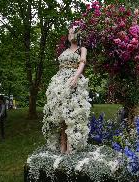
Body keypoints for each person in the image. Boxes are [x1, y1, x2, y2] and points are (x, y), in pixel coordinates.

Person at [42, 26, 91, 154]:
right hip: (60, 84)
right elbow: (60, 68)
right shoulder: (65, 51)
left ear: (78, 35)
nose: (70, 35)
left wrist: (75, 77)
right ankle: (62, 145)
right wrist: (56, 84)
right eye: (69, 33)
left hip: (74, 83)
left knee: (71, 113)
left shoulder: (82, 49)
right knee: (61, 114)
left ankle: (71, 147)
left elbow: (82, 63)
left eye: (73, 33)